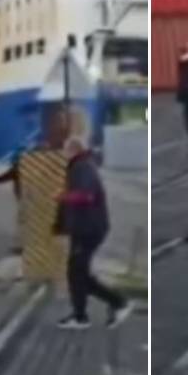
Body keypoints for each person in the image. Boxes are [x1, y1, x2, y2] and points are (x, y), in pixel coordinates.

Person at [54, 137, 133, 330]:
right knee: (78, 272)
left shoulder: (81, 167)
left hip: (88, 229)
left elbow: (85, 195)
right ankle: (86, 313)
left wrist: (63, 196)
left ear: (73, 150)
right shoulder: (82, 165)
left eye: (65, 150)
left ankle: (113, 304)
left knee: (77, 272)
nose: (64, 154)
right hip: (85, 228)